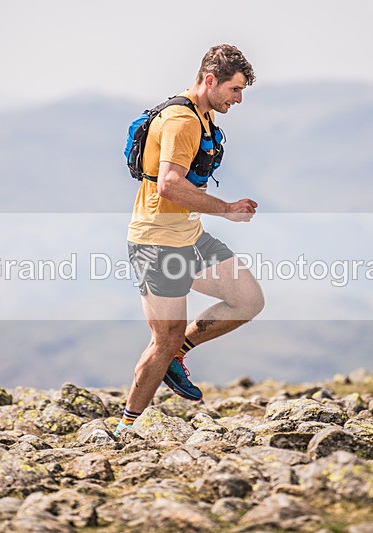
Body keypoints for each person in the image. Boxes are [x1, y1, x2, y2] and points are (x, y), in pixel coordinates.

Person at [117, 44, 265, 435]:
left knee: (247, 299)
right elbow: (168, 185)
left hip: (189, 234)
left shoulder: (201, 115)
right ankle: (125, 429)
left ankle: (178, 354)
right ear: (210, 80)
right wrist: (228, 209)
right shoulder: (182, 121)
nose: (238, 99)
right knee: (162, 341)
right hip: (157, 242)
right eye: (234, 90)